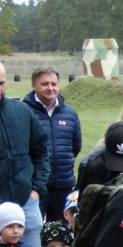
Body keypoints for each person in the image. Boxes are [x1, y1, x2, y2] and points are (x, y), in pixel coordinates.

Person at [0, 61, 50, 247]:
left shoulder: (22, 111)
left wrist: (36, 190)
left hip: (26, 201)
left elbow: (41, 152)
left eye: (2, 83)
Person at [24, 68, 82, 221]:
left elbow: (76, 147)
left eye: (53, 84)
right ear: (33, 85)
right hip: (34, 187)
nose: (50, 88)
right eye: (44, 84)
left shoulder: (70, 114)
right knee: (32, 232)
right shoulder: (23, 112)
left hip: (63, 186)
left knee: (61, 235)